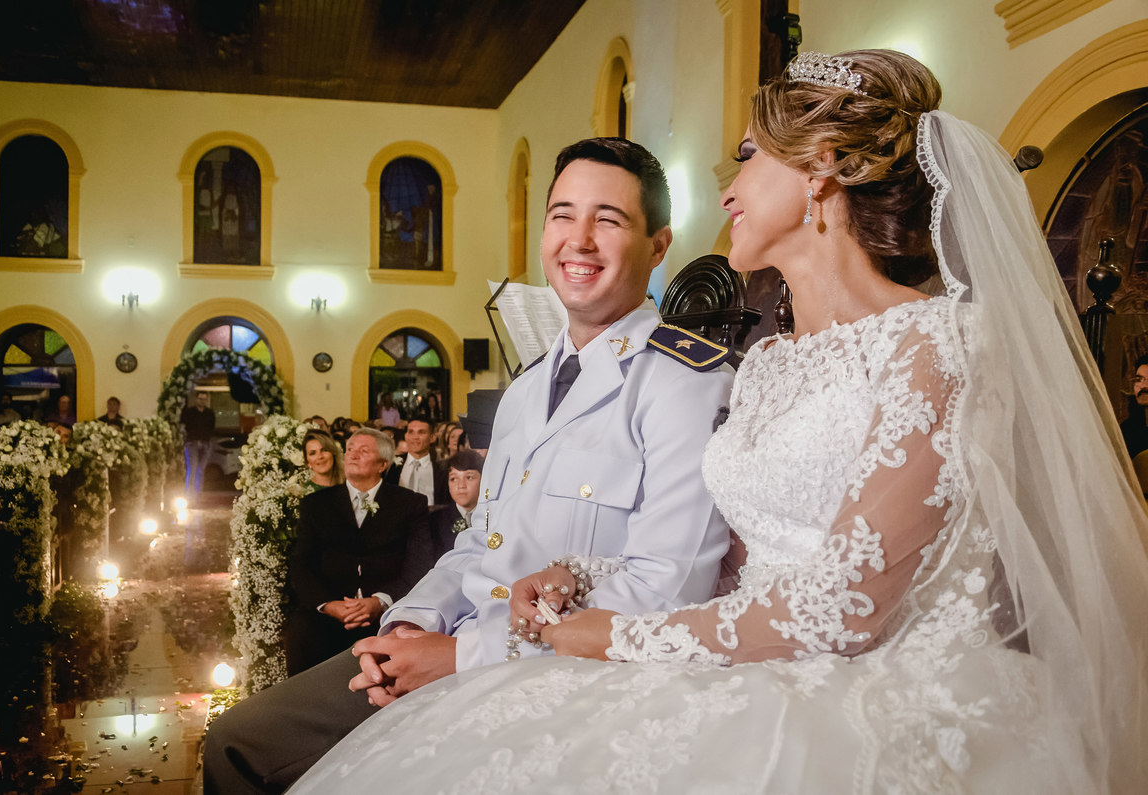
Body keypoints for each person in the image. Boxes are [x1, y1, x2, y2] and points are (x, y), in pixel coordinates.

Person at [288, 51, 1148, 793]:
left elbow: (845, 606)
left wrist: (609, 635)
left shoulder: (939, 345)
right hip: (738, 653)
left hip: (866, 692)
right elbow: (736, 557)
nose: (728, 188)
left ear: (821, 169)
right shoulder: (771, 361)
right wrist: (577, 574)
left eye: (746, 156)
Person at [203, 136, 735, 793]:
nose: (579, 239)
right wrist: (408, 624)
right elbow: (480, 549)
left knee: (249, 749)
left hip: (557, 673)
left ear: (659, 245)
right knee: (236, 738)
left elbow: (667, 591)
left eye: (609, 219)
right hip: (453, 637)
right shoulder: (523, 390)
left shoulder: (683, 381)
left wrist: (457, 656)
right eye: (562, 215)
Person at [282, 428, 429, 677]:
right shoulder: (316, 504)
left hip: (388, 612)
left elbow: (419, 563)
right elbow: (301, 564)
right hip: (330, 610)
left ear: (383, 464)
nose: (352, 455)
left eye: (363, 451)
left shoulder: (410, 503)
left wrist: (380, 601)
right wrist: (328, 605)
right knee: (300, 632)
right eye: (350, 450)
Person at [386, 418, 448, 505]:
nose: (415, 437)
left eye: (421, 432)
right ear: (406, 436)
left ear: (432, 438)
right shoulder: (391, 464)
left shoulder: (443, 469)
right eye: (411, 432)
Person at [180, 391, 215, 495]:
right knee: (192, 469)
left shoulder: (209, 413)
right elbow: (185, 427)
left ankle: (198, 495)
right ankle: (190, 496)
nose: (202, 401)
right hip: (192, 443)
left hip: (205, 443)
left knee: (201, 470)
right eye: (200, 399)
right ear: (196, 400)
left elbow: (211, 428)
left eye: (204, 399)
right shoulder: (189, 412)